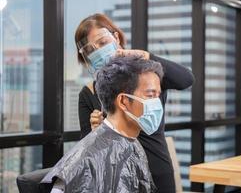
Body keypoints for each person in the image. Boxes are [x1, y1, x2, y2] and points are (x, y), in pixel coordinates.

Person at [76, 13, 194, 192]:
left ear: (116, 37)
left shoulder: (148, 76)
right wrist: (97, 134)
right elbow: (86, 156)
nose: (99, 51)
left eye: (102, 42)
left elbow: (186, 79)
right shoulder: (88, 93)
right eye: (91, 50)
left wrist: (146, 56)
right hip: (117, 180)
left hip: (157, 173)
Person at [41, 57, 163, 192]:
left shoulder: (133, 143)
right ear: (123, 101)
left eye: (158, 96)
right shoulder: (84, 161)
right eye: (151, 95)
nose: (157, 104)